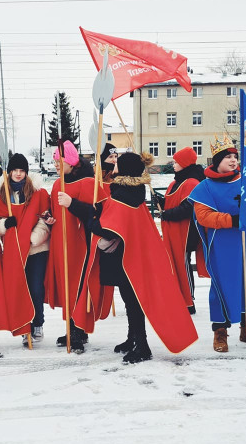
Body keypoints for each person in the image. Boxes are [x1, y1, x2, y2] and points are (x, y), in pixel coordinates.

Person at [69, 152, 198, 363]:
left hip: (127, 258)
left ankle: (143, 345)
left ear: (126, 169)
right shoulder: (129, 191)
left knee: (133, 301)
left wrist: (92, 219)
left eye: (117, 163)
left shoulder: (123, 196)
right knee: (130, 300)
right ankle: (132, 339)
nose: (114, 164)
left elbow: (107, 229)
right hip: (128, 254)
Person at [189, 135, 246, 353]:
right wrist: (233, 220)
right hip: (222, 245)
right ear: (216, 161)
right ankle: (220, 332)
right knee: (223, 287)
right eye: (227, 157)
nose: (233, 160)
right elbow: (204, 216)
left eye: (235, 156)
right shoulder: (205, 187)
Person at [48, 140, 105, 353]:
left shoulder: (87, 182)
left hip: (81, 243)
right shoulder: (56, 185)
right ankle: (72, 326)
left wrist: (72, 203)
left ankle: (79, 330)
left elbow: (95, 211)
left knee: (79, 286)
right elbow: (55, 213)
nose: (55, 164)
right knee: (66, 287)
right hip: (61, 242)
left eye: (59, 159)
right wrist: (48, 219)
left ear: (71, 161)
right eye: (54, 160)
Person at [0, 153, 52, 347]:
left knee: (35, 288)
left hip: (36, 249)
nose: (18, 174)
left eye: (22, 171)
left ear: (26, 173)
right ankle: (23, 325)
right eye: (15, 170)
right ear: (9, 172)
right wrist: (4, 224)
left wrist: (32, 239)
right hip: (13, 252)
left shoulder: (37, 193)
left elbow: (44, 220)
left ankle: (37, 324)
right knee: (19, 289)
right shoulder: (1, 195)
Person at [157, 146, 207, 313]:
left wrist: (167, 214)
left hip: (186, 232)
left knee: (183, 263)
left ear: (185, 163)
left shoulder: (192, 182)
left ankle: (189, 300)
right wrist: (162, 203)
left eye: (176, 162)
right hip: (174, 231)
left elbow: (187, 208)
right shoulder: (175, 182)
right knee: (175, 264)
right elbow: (172, 203)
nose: (173, 164)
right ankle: (179, 297)